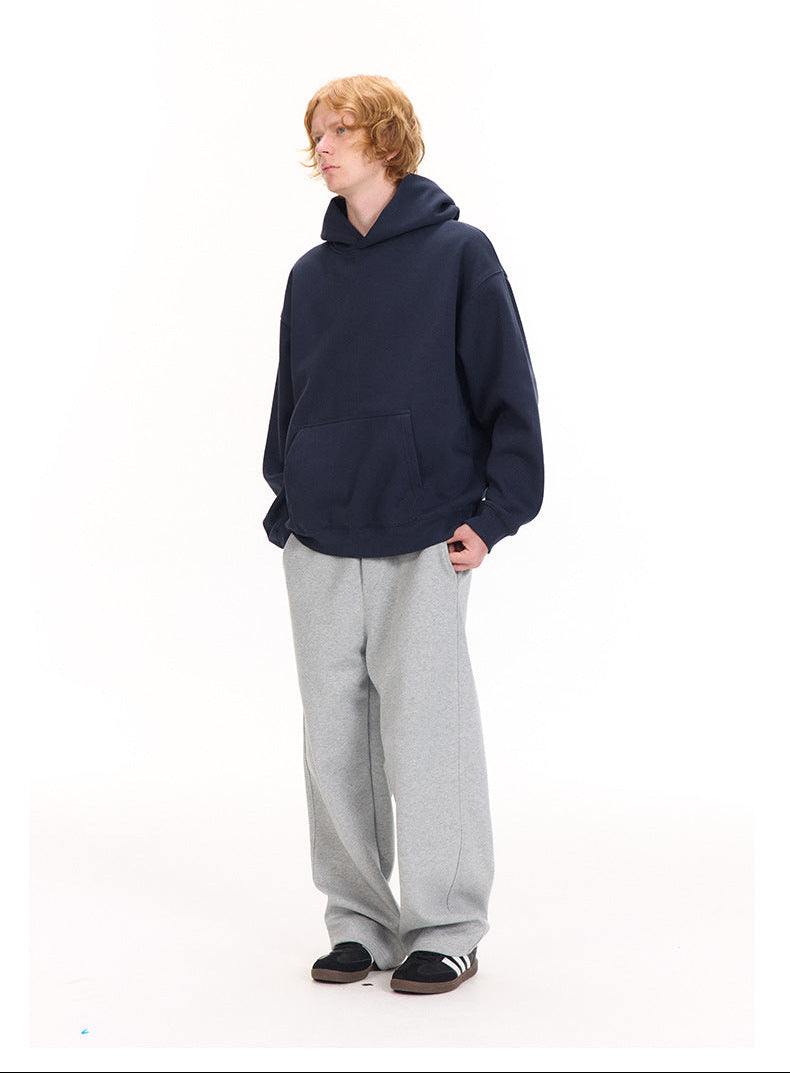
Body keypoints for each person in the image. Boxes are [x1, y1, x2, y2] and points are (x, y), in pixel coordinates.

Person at [262, 74, 544, 995]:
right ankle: (358, 922)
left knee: (429, 734)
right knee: (334, 741)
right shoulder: (309, 276)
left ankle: (447, 925)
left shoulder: (460, 254)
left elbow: (508, 393)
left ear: (386, 139)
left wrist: (496, 515)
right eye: (317, 133)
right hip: (320, 538)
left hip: (425, 536)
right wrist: (287, 503)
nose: (324, 147)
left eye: (340, 130)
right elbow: (290, 401)